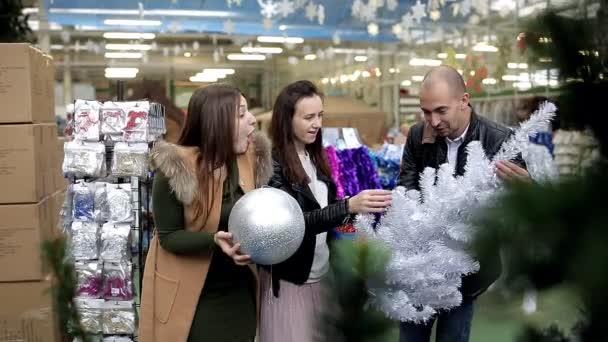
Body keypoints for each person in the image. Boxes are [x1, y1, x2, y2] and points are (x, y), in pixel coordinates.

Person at [397, 66, 530, 342]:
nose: (432, 121)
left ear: (464, 100)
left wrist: (528, 190)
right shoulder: (417, 136)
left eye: (441, 110)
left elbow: (519, 210)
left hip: (466, 273)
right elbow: (406, 190)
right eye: (426, 111)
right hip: (419, 268)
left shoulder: (499, 140)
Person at [260, 80, 393, 341]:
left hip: (321, 277)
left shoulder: (317, 158)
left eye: (320, 115)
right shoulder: (273, 165)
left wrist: (357, 211)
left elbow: (324, 212)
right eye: (308, 117)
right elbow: (292, 223)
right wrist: (348, 205)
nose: (317, 124)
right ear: (287, 120)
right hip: (290, 282)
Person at [139, 84, 272, 342]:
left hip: (240, 294)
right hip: (195, 299)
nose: (253, 120)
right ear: (218, 122)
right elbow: (168, 236)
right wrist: (213, 240)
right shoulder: (176, 169)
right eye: (242, 114)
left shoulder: (248, 160)